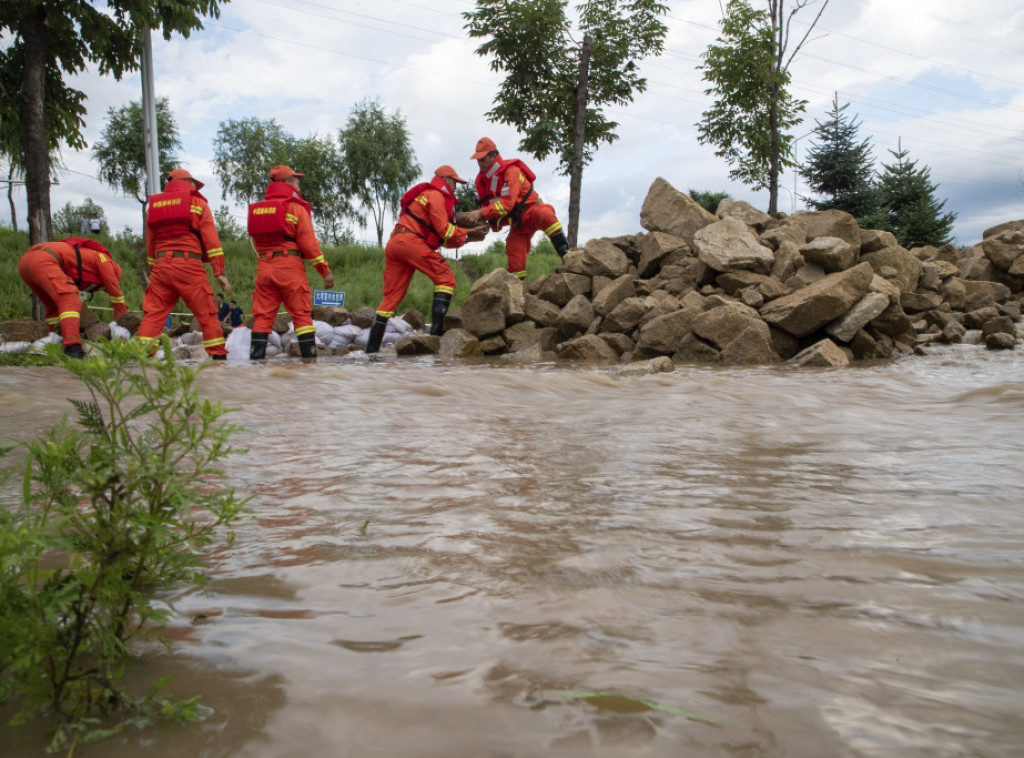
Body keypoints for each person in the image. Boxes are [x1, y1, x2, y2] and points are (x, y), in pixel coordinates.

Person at [365, 166, 488, 354]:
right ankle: (436, 335)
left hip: (396, 243)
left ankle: (370, 352)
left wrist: (469, 238)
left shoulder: (425, 196)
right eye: (455, 182)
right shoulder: (436, 195)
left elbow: (442, 240)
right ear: (445, 179)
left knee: (390, 299)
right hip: (410, 242)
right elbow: (444, 231)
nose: (456, 187)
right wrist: (470, 231)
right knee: (445, 277)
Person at [137, 168, 231, 359]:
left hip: (161, 265)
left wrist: (155, 269)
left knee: (153, 315)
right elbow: (211, 241)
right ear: (188, 182)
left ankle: (141, 361)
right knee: (207, 313)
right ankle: (219, 361)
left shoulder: (153, 208)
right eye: (194, 184)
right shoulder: (198, 204)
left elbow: (150, 244)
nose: (196, 188)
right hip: (189, 265)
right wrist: (218, 271)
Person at [246, 164, 334, 360]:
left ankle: (255, 366)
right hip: (290, 267)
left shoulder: (260, 211)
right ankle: (308, 365)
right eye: (296, 180)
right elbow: (309, 244)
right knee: (302, 315)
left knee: (262, 318)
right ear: (287, 182)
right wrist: (324, 271)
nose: (298, 184)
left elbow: (255, 241)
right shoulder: (295, 208)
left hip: (264, 267)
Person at [459, 137, 571, 280]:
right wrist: (483, 225)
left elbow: (506, 204)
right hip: (518, 223)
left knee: (546, 215)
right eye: (477, 159)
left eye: (482, 158)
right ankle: (517, 293)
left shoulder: (511, 171)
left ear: (494, 156)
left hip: (532, 210)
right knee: (514, 256)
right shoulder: (481, 181)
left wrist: (480, 213)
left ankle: (567, 256)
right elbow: (490, 208)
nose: (479, 162)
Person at [17, 237, 128, 358]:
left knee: (54, 306)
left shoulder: (86, 258)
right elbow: (114, 291)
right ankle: (72, 348)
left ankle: (52, 338)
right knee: (70, 300)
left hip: (26, 262)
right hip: (45, 260)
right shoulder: (104, 260)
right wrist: (123, 319)